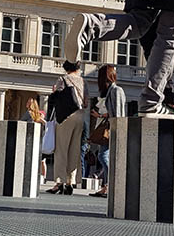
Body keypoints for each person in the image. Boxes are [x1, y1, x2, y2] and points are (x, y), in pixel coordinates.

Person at [46, 60, 88, 195]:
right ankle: (71, 181)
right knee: (74, 150)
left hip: (65, 116)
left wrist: (54, 93)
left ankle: (59, 182)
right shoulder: (83, 81)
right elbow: (86, 102)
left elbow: (56, 97)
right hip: (80, 116)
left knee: (61, 149)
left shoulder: (63, 79)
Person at [90, 65, 125, 198]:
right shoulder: (110, 90)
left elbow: (116, 113)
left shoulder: (116, 90)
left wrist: (101, 116)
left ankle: (112, 185)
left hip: (111, 129)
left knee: (103, 156)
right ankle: (106, 186)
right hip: (108, 128)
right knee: (104, 156)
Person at [21, 98, 48, 182]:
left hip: (29, 138)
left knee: (29, 158)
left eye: (28, 103)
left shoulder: (29, 113)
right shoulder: (39, 115)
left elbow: (20, 122)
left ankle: (30, 175)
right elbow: (45, 124)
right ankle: (43, 177)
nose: (26, 103)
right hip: (39, 139)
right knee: (42, 160)